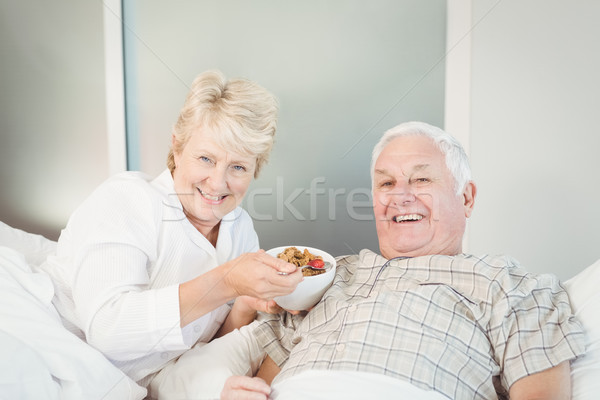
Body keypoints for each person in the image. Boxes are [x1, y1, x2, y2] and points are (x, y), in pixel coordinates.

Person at [221, 121, 586, 400]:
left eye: (421, 179)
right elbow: (262, 383)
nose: (401, 196)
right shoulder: (328, 275)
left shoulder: (509, 284)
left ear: (467, 198)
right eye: (386, 184)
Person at [38, 70, 303, 391]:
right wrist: (227, 281)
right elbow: (107, 330)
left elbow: (199, 349)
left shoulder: (240, 232)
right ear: (177, 147)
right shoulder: (129, 200)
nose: (218, 183)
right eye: (206, 158)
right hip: (47, 350)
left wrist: (244, 305)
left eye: (238, 167)